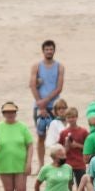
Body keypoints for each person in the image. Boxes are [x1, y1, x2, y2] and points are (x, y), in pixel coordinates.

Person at [29, 40, 65, 171]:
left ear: (54, 51)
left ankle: (56, 162)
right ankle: (40, 164)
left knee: (57, 135)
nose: (49, 51)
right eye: (47, 49)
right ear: (43, 51)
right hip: (39, 106)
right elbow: (32, 85)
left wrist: (46, 101)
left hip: (55, 106)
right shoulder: (37, 66)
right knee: (41, 136)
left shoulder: (59, 67)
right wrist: (41, 105)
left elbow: (59, 88)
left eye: (51, 49)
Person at [58, 106, 89, 187]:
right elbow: (59, 151)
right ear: (65, 118)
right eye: (68, 117)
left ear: (77, 117)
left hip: (80, 163)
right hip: (67, 164)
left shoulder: (83, 132)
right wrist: (66, 147)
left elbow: (88, 149)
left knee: (81, 186)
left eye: (73, 117)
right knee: (67, 187)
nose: (71, 119)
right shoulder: (63, 133)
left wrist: (77, 145)